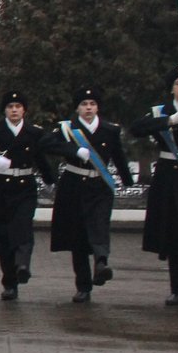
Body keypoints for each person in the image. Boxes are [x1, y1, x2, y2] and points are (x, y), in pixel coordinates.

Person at [41, 86, 132, 303]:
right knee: (78, 238)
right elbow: (45, 145)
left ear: (97, 107)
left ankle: (101, 262)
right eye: (84, 104)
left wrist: (127, 179)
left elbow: (118, 155)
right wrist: (72, 150)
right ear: (78, 108)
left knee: (99, 225)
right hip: (73, 185)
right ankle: (83, 286)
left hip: (99, 185)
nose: (88, 108)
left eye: (92, 104)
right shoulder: (67, 129)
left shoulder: (110, 130)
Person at [0, 91, 54, 301]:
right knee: (3, 234)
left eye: (18, 106)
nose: (14, 110)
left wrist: (50, 179)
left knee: (23, 226)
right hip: (1, 187)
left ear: (24, 110)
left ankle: (22, 265)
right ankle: (9, 282)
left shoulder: (33, 132)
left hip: (24, 186)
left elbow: (40, 156)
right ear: (5, 110)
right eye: (10, 107)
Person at [128, 67, 178, 305]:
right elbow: (137, 128)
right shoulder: (162, 111)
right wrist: (169, 121)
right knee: (175, 235)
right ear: (172, 87)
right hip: (170, 177)